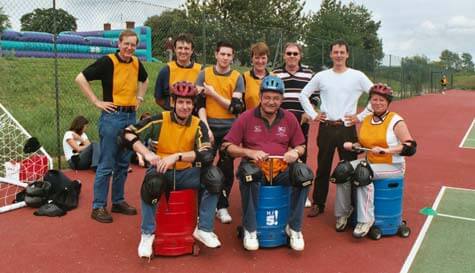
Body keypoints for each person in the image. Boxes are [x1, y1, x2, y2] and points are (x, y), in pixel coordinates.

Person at [122, 81, 221, 258]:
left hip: (187, 173)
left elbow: (206, 153)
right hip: (161, 171)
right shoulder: (160, 119)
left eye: (189, 102)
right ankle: (147, 234)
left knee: (214, 177)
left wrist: (177, 156)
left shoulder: (198, 124)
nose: (185, 107)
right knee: (152, 184)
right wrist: (147, 153)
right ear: (173, 102)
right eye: (181, 102)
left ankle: (204, 229)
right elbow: (127, 133)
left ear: (193, 104)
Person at [222, 75, 311, 251]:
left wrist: (294, 152)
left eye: (276, 98)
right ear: (260, 97)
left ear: (282, 99)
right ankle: (250, 229)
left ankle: (294, 228)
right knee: (249, 175)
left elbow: (301, 146)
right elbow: (227, 146)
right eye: (268, 97)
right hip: (256, 168)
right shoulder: (246, 117)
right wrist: (249, 152)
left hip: (281, 169)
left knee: (304, 175)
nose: (271, 102)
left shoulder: (290, 118)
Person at [75, 29, 149, 223]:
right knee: (107, 164)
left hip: (130, 117)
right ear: (119, 43)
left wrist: (139, 97)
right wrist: (96, 101)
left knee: (123, 163)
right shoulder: (107, 62)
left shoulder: (136, 63)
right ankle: (98, 206)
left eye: (133, 45)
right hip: (112, 117)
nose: (129, 48)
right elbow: (80, 78)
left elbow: (145, 79)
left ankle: (118, 201)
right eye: (126, 44)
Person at [299, 40, 373, 219]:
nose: (339, 55)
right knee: (323, 168)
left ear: (347, 55)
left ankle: (352, 205)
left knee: (349, 169)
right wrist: (313, 113)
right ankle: (318, 203)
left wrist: (360, 117)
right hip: (326, 128)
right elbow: (303, 95)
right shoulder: (321, 76)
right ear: (331, 55)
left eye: (342, 52)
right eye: (335, 52)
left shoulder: (357, 76)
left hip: (347, 128)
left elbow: (376, 94)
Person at [339, 83, 416, 237]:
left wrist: (388, 150)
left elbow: (411, 147)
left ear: (388, 102)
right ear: (370, 101)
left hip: (392, 166)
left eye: (381, 100)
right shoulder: (367, 119)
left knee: (363, 173)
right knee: (343, 170)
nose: (377, 103)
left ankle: (365, 220)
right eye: (374, 99)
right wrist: (354, 146)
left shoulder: (396, 120)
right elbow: (363, 144)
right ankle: (344, 212)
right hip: (372, 163)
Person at [196, 41, 245, 224]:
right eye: (222, 54)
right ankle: (202, 205)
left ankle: (222, 206)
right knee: (204, 165)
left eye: (229, 55)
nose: (225, 58)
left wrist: (214, 93)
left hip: (229, 129)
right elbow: (199, 104)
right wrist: (205, 127)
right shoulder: (204, 74)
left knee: (226, 168)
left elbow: (235, 107)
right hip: (208, 126)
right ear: (216, 54)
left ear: (232, 57)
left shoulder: (237, 77)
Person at [273, 42, 318, 207]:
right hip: (281, 121)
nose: (292, 56)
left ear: (300, 56)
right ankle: (282, 186)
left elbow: (315, 96)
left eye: (295, 54)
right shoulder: (276, 73)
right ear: (284, 55)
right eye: (289, 53)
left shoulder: (309, 74)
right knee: (281, 153)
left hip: (302, 119)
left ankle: (301, 189)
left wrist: (310, 111)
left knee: (300, 153)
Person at [155, 33, 202, 111]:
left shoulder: (201, 71)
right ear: (175, 49)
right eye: (180, 48)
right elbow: (158, 98)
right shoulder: (166, 70)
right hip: (172, 113)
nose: (183, 51)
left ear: (192, 51)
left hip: (195, 115)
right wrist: (171, 109)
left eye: (186, 48)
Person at [242, 42, 270, 110]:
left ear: (267, 59)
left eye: (263, 58)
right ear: (252, 59)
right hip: (249, 119)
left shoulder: (274, 78)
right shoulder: (244, 77)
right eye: (257, 58)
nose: (260, 61)